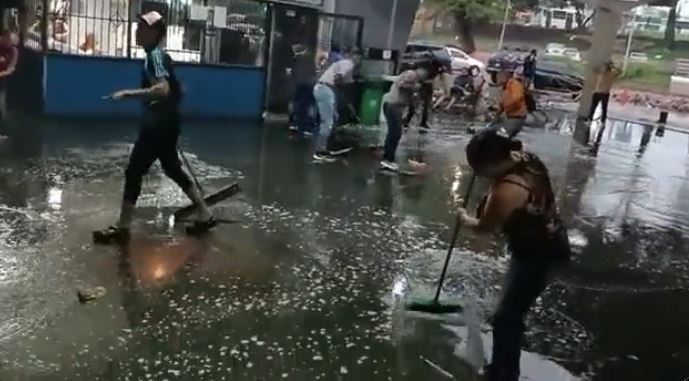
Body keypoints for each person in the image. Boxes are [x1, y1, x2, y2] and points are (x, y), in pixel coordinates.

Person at [93, 11, 215, 244]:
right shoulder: (158, 56)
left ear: (155, 33)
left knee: (134, 171)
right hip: (167, 123)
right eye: (138, 26)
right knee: (172, 168)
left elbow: (162, 89)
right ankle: (205, 214)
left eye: (142, 28)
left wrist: (129, 93)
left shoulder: (155, 56)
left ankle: (123, 228)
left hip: (158, 126)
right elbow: (176, 90)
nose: (138, 31)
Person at [458, 130, 571, 381]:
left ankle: (503, 374)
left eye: (479, 168)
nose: (477, 175)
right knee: (512, 309)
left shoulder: (506, 192)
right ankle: (507, 361)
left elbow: (484, 228)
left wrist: (464, 219)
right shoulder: (526, 159)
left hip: (535, 251)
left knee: (506, 317)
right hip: (549, 236)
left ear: (492, 162)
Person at [312, 47, 362, 162]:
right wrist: (340, 90)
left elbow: (346, 84)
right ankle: (320, 151)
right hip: (325, 89)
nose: (358, 57)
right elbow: (338, 78)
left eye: (359, 55)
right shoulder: (348, 63)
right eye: (356, 55)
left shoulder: (346, 65)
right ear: (350, 55)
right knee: (328, 121)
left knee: (334, 118)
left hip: (324, 89)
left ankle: (332, 146)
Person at [380, 67, 429, 172]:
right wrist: (414, 87)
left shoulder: (412, 78)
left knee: (394, 133)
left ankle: (387, 157)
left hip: (394, 106)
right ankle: (387, 159)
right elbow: (401, 84)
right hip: (393, 105)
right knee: (395, 133)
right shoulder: (411, 75)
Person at [403, 54, 448, 130]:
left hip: (426, 87)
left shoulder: (435, 67)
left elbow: (441, 76)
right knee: (417, 104)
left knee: (425, 105)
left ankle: (420, 122)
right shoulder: (430, 66)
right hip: (421, 86)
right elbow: (419, 77)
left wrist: (444, 87)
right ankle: (408, 120)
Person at [287, 44, 317, 136]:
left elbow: (290, 73)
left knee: (298, 105)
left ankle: (296, 124)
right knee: (307, 106)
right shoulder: (308, 58)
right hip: (307, 84)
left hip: (300, 84)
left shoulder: (295, 60)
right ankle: (307, 127)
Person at [495, 69, 527, 138]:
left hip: (517, 116)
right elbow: (502, 103)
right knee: (498, 133)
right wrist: (498, 112)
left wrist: (507, 107)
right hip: (510, 116)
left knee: (503, 135)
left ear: (504, 77)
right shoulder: (504, 88)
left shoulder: (514, 84)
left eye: (499, 77)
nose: (497, 80)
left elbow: (517, 98)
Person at [0, 29, 18, 121]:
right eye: (6, 38)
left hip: (4, 78)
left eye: (10, 40)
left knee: (1, 100)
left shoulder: (13, 50)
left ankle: (3, 119)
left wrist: (2, 73)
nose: (8, 41)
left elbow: (11, 67)